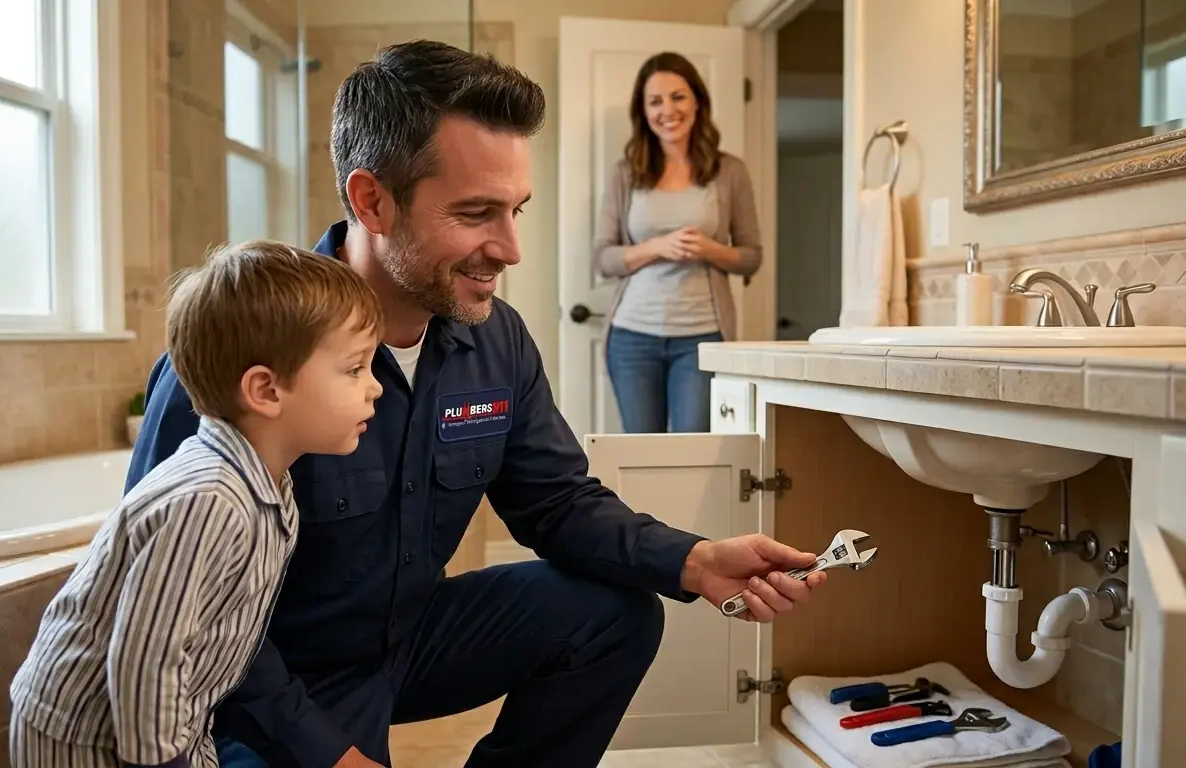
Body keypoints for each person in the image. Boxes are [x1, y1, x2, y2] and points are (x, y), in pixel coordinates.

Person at [128, 40, 824, 768]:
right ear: (372, 201)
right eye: (476, 213)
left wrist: (693, 560)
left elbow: (556, 502)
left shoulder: (495, 340)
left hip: (408, 638)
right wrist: (327, 752)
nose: (511, 248)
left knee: (614, 614)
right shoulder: (241, 353)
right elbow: (178, 612)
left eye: (516, 210)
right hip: (267, 682)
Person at [7, 241, 384, 768]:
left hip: (165, 722)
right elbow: (146, 660)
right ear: (266, 391)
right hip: (86, 737)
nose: (375, 388)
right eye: (355, 369)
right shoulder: (209, 501)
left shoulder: (269, 487)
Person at [593, 52, 762, 434]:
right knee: (642, 455)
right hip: (631, 338)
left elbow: (752, 257)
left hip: (702, 339)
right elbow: (603, 258)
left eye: (678, 97)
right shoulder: (625, 173)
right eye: (655, 101)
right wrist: (657, 246)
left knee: (693, 453)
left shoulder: (730, 171)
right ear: (643, 112)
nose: (667, 110)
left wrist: (707, 248)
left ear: (697, 101)